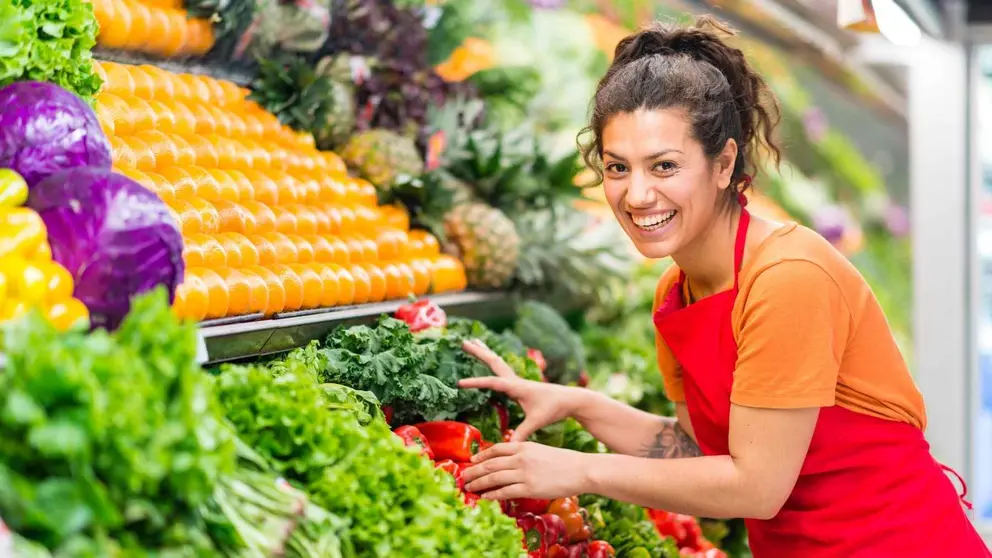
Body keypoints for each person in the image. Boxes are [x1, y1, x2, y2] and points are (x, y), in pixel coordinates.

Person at [457, 15, 991, 558]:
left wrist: (581, 470)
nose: (637, 194)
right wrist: (578, 406)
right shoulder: (678, 290)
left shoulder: (789, 278)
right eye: (618, 167)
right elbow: (699, 454)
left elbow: (755, 487)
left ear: (724, 163)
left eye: (663, 166)